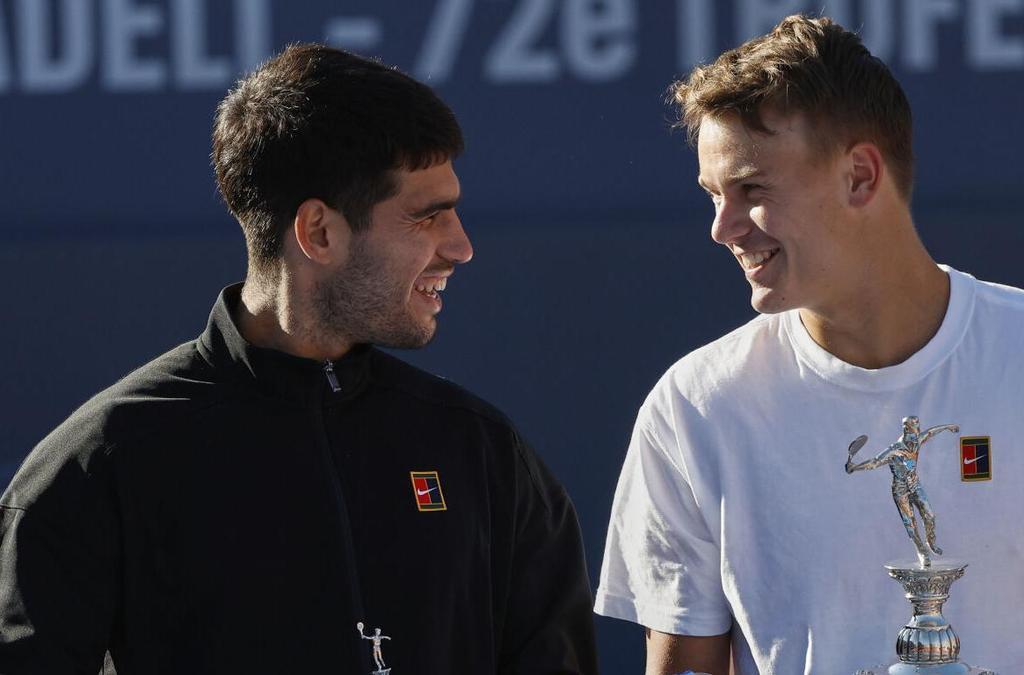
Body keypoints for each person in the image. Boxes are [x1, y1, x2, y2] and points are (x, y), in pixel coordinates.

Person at [594, 14, 1024, 675]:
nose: (723, 228)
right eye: (713, 195)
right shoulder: (694, 407)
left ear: (859, 176)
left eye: (751, 190)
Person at [0, 44, 597, 674]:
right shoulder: (99, 467)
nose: (462, 246)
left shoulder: (483, 454)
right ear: (318, 232)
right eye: (427, 217)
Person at [844, 417, 959, 566]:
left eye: (916, 439)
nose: (914, 444)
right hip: (900, 490)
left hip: (915, 484)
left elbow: (930, 432)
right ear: (905, 432)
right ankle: (922, 551)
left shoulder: (918, 439)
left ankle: (931, 541)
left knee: (929, 515)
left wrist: (947, 426)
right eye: (911, 440)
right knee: (910, 523)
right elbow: (874, 462)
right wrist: (855, 467)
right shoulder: (894, 449)